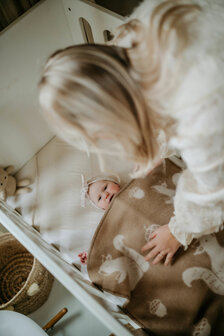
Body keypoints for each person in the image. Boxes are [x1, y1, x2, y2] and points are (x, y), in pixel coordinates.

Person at [39, 0, 224, 266]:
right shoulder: (136, 36)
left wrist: (177, 231)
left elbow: (210, 191)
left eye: (103, 134)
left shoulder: (199, 115)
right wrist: (154, 145)